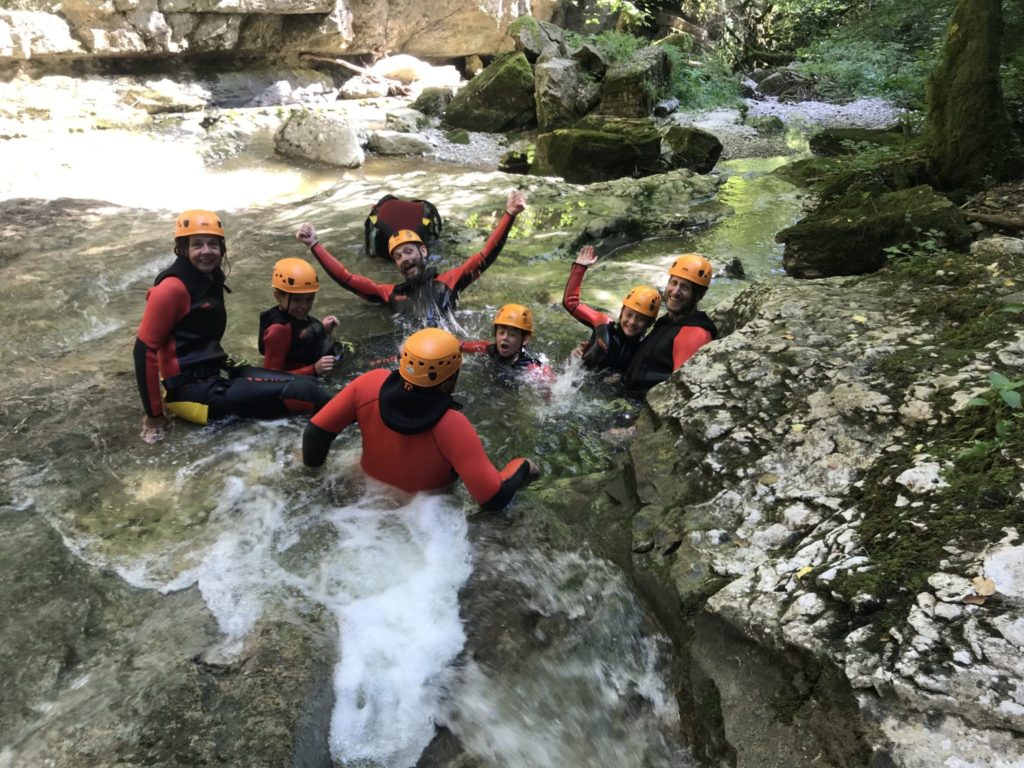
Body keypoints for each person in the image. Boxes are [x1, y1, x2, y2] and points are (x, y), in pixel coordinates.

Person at [134, 209, 331, 444]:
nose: (206, 252)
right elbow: (144, 350)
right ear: (183, 249)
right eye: (197, 244)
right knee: (308, 395)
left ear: (222, 248)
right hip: (191, 392)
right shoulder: (171, 289)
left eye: (213, 244)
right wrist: (154, 416)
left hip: (217, 375)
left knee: (310, 384)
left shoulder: (209, 280)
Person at [303, 328, 540, 511]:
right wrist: (523, 466)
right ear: (449, 381)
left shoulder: (368, 384)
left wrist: (315, 476)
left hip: (360, 495)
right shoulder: (452, 425)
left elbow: (315, 433)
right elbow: (492, 499)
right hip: (417, 514)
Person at [295, 190, 527, 325]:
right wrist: (315, 244)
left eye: (408, 251)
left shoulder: (449, 281)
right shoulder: (390, 293)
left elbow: (485, 255)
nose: (404, 258)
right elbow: (347, 279)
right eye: (397, 256)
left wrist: (509, 214)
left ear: (423, 252)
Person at [623, 253, 718, 390]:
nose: (675, 292)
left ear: (699, 295)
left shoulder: (695, 333)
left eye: (685, 287)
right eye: (673, 283)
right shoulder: (666, 321)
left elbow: (680, 387)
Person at [562, 244, 661, 372]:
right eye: (629, 314)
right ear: (621, 312)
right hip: (571, 379)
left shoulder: (643, 347)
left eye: (640, 319)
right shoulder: (604, 324)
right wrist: (580, 267)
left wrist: (620, 379)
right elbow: (571, 302)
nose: (632, 322)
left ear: (650, 323)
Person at [259, 257, 343, 377]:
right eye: (297, 300)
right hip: (310, 379)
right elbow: (270, 378)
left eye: (309, 299)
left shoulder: (293, 314)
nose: (304, 306)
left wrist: (322, 329)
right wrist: (314, 370)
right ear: (278, 297)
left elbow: (299, 338)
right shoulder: (278, 331)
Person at [460, 302, 551, 379]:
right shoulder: (486, 348)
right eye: (501, 332)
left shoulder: (529, 366)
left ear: (525, 339)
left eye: (512, 335)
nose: (505, 337)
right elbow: (457, 345)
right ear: (495, 334)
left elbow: (548, 382)